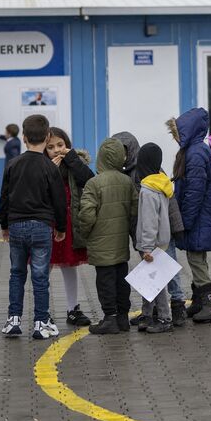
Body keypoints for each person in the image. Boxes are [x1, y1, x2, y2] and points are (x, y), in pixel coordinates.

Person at [0, 114, 67, 340]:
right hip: (42, 226)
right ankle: (41, 322)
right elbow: (59, 200)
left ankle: (13, 320)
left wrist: (4, 224)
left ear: (24, 137)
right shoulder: (50, 167)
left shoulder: (13, 164)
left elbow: (5, 197)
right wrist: (60, 227)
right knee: (40, 276)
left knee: (16, 273)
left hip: (16, 225)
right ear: (47, 137)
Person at [168, 108, 211, 323]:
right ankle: (199, 301)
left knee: (196, 258)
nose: (175, 138)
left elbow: (194, 192)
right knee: (196, 257)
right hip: (201, 218)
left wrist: (185, 221)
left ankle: (208, 304)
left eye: (178, 133)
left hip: (199, 219)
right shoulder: (196, 150)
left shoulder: (195, 153)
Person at [77, 138, 138, 335]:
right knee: (122, 280)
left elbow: (87, 213)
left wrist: (84, 233)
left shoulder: (94, 183)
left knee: (105, 282)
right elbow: (134, 212)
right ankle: (122, 318)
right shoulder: (127, 181)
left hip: (101, 244)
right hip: (121, 244)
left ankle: (109, 318)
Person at [46, 128, 93, 327]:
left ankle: (72, 308)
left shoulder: (74, 161)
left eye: (60, 145)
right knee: (43, 268)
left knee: (69, 265)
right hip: (48, 222)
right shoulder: (41, 165)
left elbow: (89, 180)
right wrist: (50, 170)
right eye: (50, 147)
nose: (56, 150)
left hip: (69, 220)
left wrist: (72, 158)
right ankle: (43, 311)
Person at [135, 143, 175, 333]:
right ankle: (148, 314)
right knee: (149, 279)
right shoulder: (161, 184)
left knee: (156, 282)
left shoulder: (148, 190)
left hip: (151, 243)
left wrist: (147, 247)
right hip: (162, 240)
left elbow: (150, 221)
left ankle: (165, 318)